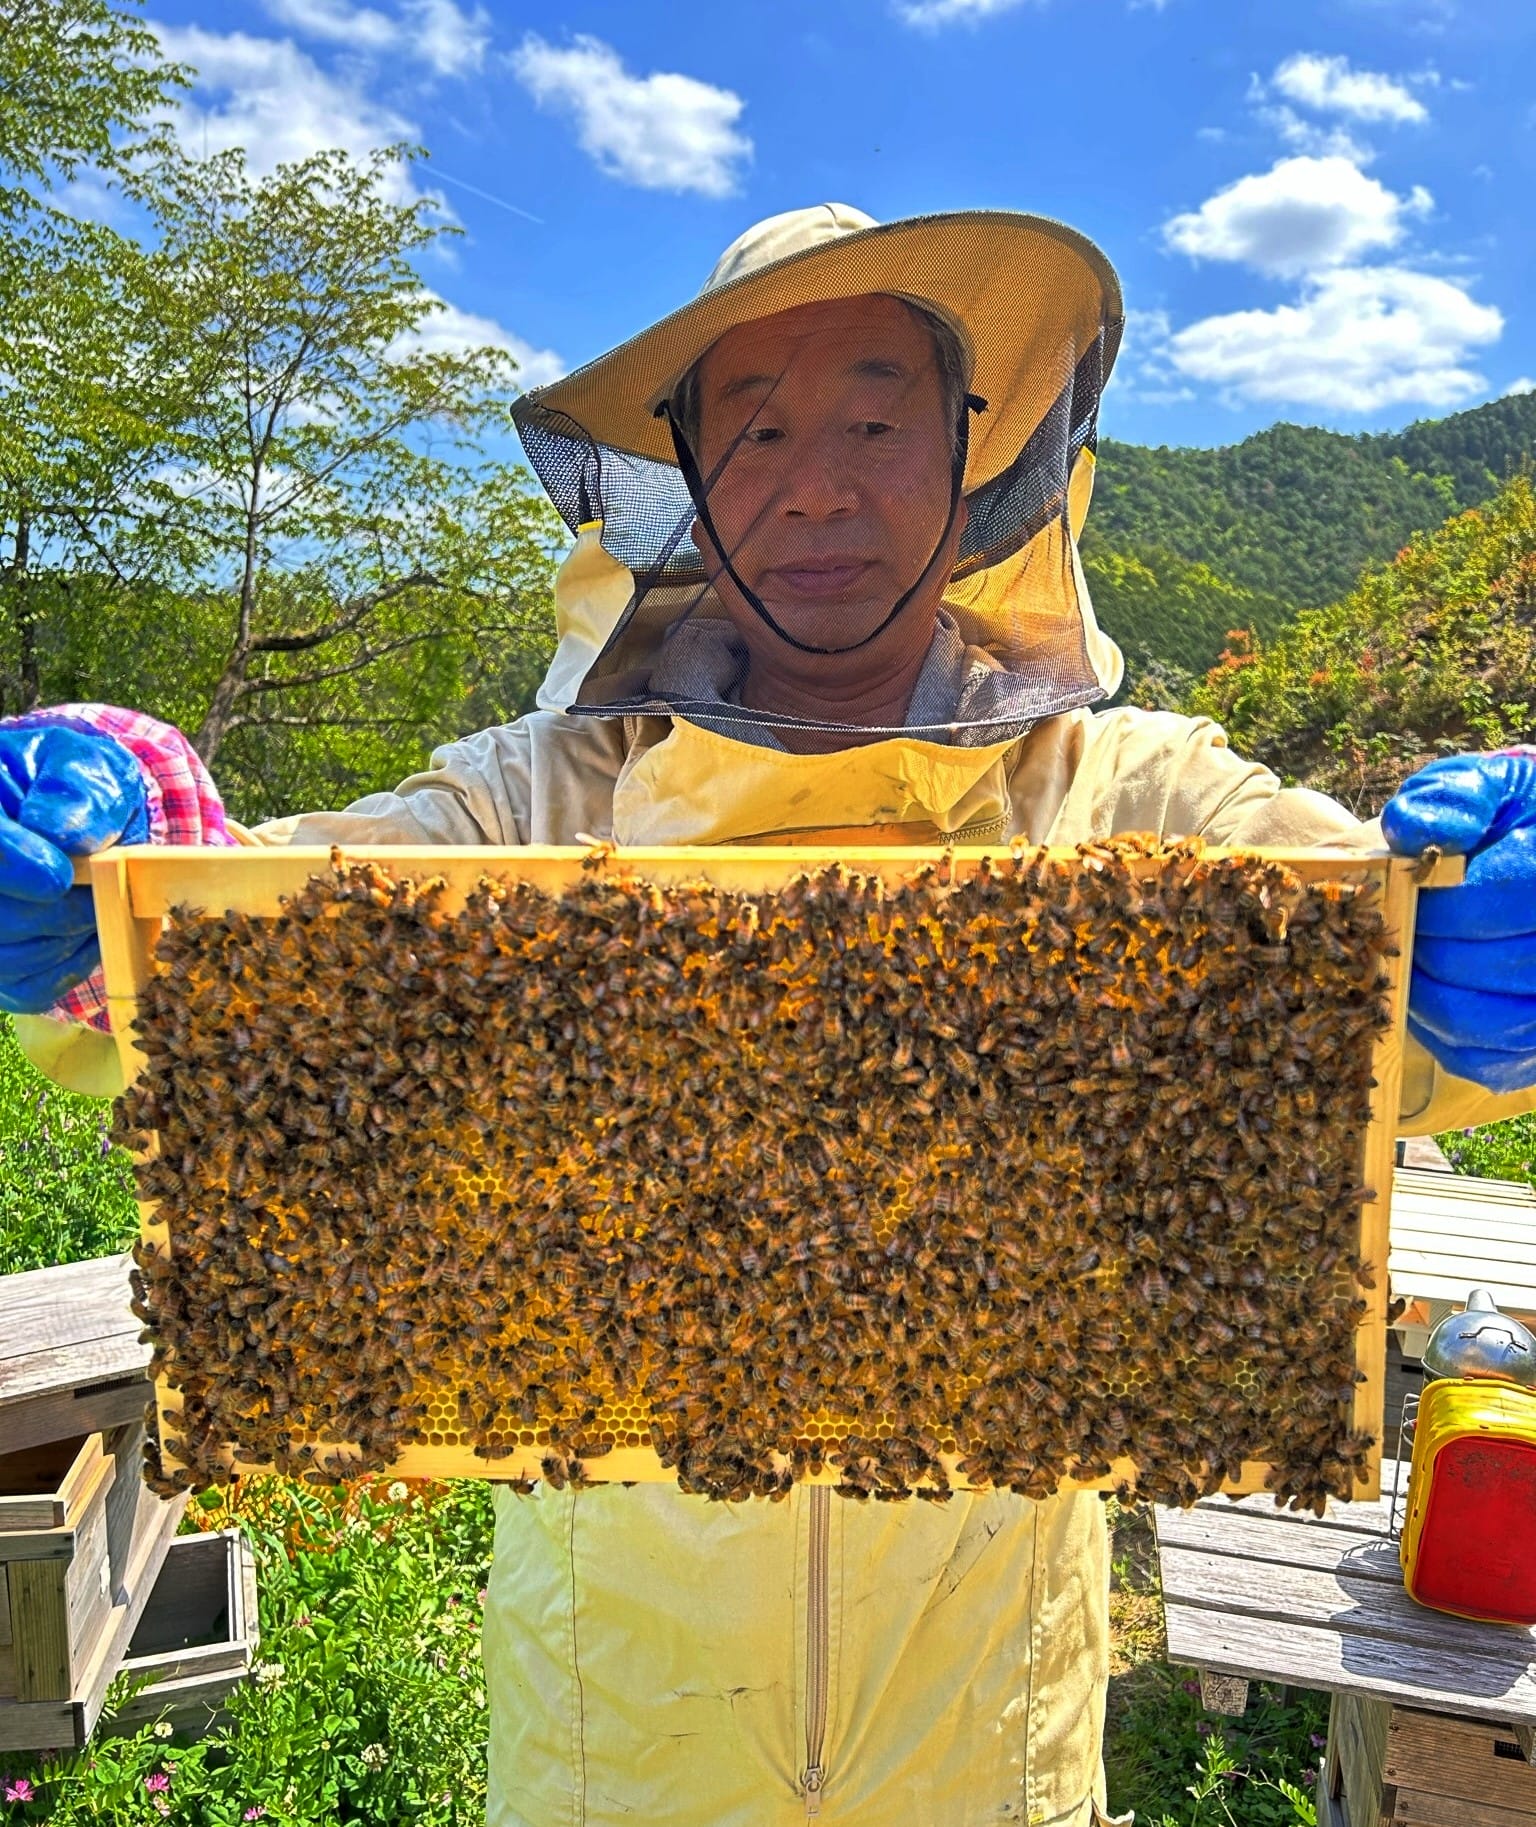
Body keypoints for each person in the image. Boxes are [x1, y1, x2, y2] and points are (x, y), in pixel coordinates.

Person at [4, 202, 1536, 1826]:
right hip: (618, 1745)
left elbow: (1374, 985)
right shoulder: (537, 800)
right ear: (682, 483)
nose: (820, 480)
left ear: (976, 460)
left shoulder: (1132, 797)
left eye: (877, 419)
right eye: (760, 428)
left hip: (993, 1743)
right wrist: (98, 888)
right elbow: (238, 940)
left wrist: (1470, 957)